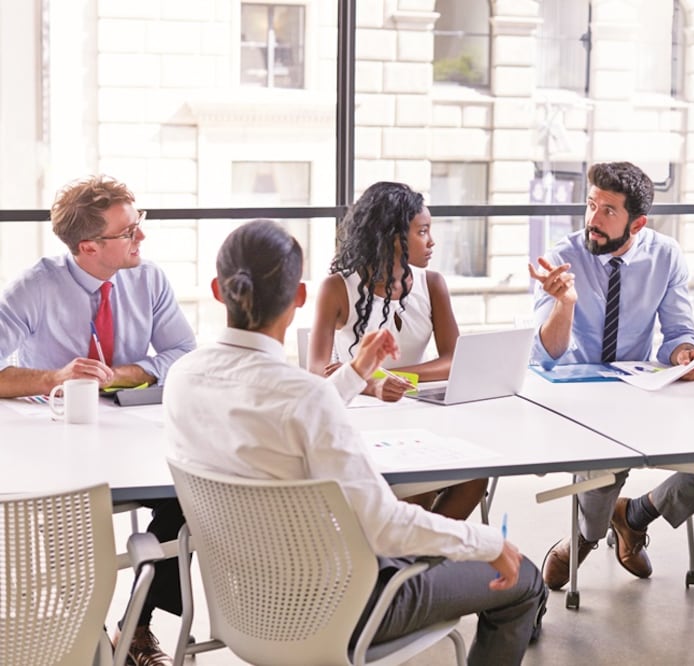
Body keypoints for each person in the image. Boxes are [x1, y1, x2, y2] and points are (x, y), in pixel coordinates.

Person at [164, 219, 547, 664]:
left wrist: (356, 373)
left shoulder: (183, 376)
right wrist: (489, 543)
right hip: (343, 609)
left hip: (245, 605)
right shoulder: (303, 397)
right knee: (525, 580)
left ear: (217, 290)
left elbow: (293, 407)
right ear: (299, 297)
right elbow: (385, 527)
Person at [0, 175, 197, 665]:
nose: (141, 236)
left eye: (138, 222)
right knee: (74, 522)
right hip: (59, 447)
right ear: (88, 246)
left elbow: (184, 353)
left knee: (189, 494)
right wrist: (54, 377)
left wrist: (123, 373)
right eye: (128, 231)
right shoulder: (35, 286)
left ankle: (135, 627)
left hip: (134, 438)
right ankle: (85, 634)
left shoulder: (148, 278)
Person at [529, 161, 694, 589]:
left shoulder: (665, 255)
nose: (593, 218)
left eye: (608, 210)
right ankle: (584, 539)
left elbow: (679, 332)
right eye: (591, 204)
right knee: (605, 464)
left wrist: (685, 353)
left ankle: (635, 514)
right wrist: (565, 304)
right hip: (576, 396)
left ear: (638, 222)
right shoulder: (561, 259)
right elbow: (546, 355)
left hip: (639, 390)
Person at [310, 181, 488, 520]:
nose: (432, 241)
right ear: (392, 237)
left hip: (418, 414)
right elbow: (317, 373)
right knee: (419, 486)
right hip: (361, 418)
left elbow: (454, 360)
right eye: (422, 232)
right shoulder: (337, 288)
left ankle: (421, 551)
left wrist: (387, 376)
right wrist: (371, 384)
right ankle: (411, 550)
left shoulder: (432, 284)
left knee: (475, 478)